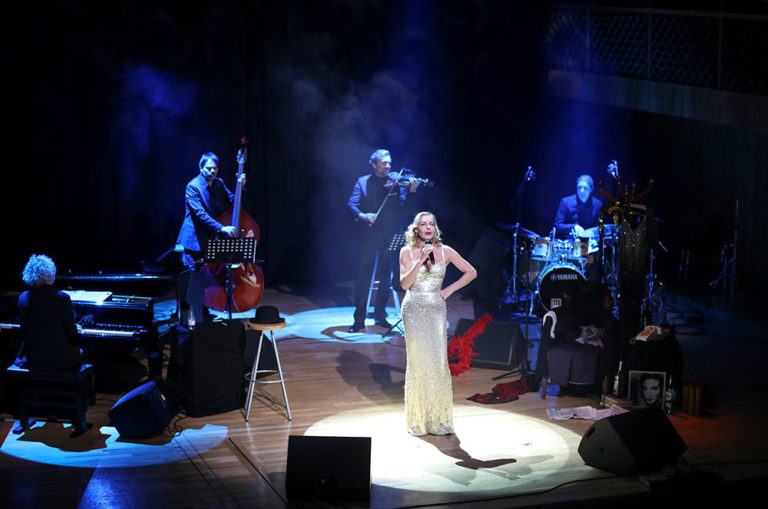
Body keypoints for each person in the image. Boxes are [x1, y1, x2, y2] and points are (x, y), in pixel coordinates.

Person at [399, 211, 477, 436]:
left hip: (435, 310)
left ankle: (438, 419)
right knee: (418, 361)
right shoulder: (406, 251)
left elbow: (471, 272)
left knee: (438, 361)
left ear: (435, 228)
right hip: (413, 309)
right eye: (423, 224)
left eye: (431, 224)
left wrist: (449, 290)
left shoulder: (446, 251)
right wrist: (419, 261)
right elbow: (404, 284)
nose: (427, 227)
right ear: (416, 229)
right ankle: (419, 420)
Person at [346, 149, 420, 332]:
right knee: (364, 277)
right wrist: (363, 215)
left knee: (386, 278)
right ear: (374, 164)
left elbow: (405, 210)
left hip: (390, 235)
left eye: (389, 163)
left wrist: (411, 191)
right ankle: (359, 319)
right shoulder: (362, 182)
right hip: (368, 235)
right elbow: (351, 204)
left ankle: (381, 315)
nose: (388, 166)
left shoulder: (397, 182)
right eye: (383, 163)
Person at [176, 152, 244, 323]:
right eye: (209, 168)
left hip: (208, 239)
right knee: (191, 280)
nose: (212, 171)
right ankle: (188, 321)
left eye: (215, 168)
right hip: (193, 241)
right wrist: (221, 228)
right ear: (201, 168)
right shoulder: (193, 186)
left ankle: (201, 315)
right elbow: (200, 215)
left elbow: (234, 200)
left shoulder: (219, 184)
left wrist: (240, 186)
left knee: (202, 279)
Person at [16, 254, 85, 371]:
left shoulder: (23, 298)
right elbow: (72, 334)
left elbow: (25, 330)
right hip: (60, 361)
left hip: (33, 358)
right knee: (85, 351)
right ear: (51, 274)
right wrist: (77, 329)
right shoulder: (62, 297)